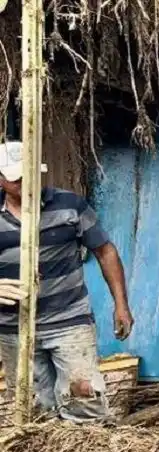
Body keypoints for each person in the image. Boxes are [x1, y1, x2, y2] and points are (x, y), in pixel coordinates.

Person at [0, 142, 133, 422]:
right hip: (15, 329)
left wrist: (121, 305)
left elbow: (105, 250)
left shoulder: (69, 205)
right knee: (31, 410)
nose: (24, 183)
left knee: (84, 401)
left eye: (30, 175)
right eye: (15, 179)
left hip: (69, 321)